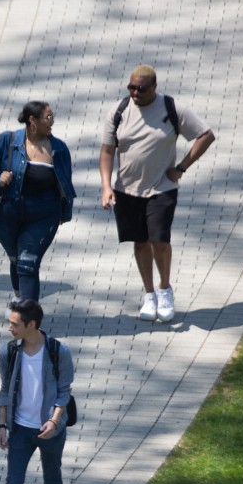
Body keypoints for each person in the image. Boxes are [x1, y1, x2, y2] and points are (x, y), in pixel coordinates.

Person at [100, 65, 215, 322]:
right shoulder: (119, 111)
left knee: (160, 241)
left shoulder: (172, 108)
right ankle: (149, 294)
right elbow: (107, 151)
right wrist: (106, 187)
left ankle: (165, 290)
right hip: (127, 189)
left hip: (162, 188)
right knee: (140, 242)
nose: (135, 93)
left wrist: (182, 167)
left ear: (154, 87)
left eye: (141, 88)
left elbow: (206, 135)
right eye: (131, 87)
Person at [0, 299, 75, 484]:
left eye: (15, 324)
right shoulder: (9, 352)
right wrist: (2, 424)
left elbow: (63, 392)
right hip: (20, 429)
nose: (10, 328)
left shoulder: (58, 351)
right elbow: (5, 390)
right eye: (10, 323)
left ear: (32, 325)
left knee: (52, 474)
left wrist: (54, 421)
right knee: (13, 482)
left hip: (49, 428)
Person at [0, 101, 77, 301]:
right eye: (48, 117)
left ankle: (29, 311)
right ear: (33, 121)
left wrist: (64, 214)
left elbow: (66, 184)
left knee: (28, 262)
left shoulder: (59, 149)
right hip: (7, 214)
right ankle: (19, 301)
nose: (52, 121)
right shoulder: (7, 141)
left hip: (44, 215)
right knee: (16, 259)